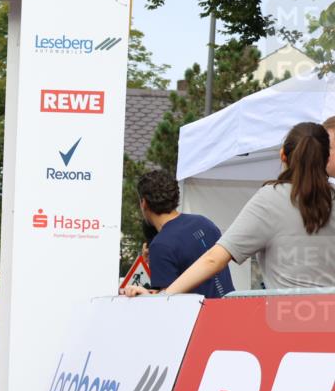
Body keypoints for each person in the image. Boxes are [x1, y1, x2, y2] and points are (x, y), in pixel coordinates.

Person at [126, 122, 335, 295]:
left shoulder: (270, 199)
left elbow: (214, 259)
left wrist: (163, 297)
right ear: (326, 158)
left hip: (288, 322)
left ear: (282, 155)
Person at [134, 169, 234, 297]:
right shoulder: (204, 222)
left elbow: (166, 302)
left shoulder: (160, 245)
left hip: (199, 310)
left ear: (144, 203)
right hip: (231, 306)